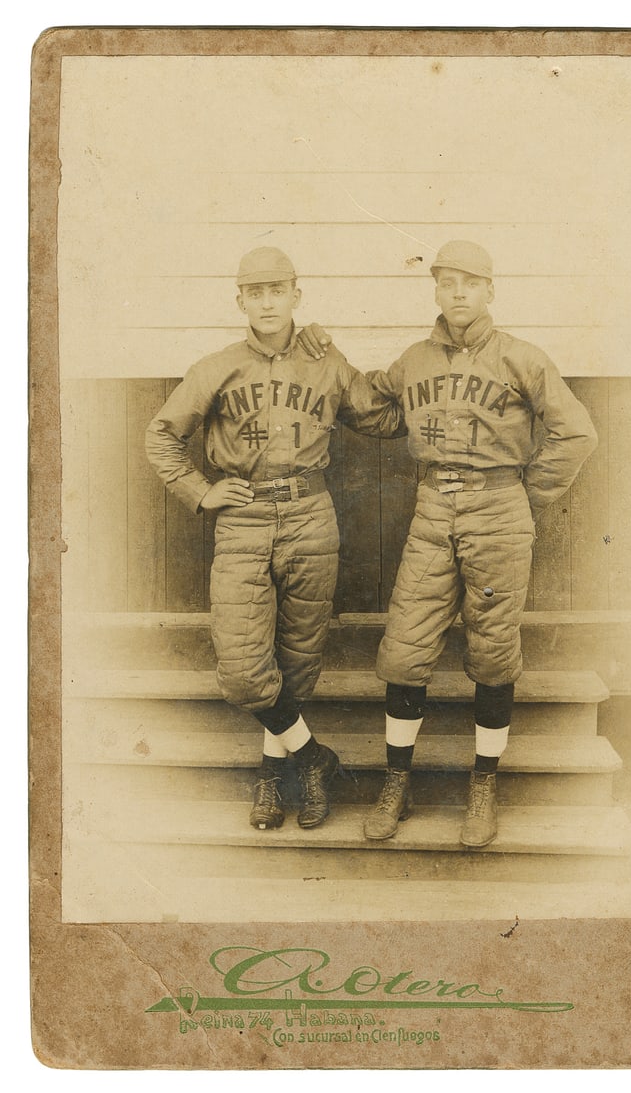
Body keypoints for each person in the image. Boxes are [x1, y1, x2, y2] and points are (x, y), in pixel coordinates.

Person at [300, 240, 598, 847]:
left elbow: (577, 432)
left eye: (469, 282)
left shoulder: (523, 359)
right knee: (406, 647)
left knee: (492, 651)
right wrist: (325, 355)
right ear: (435, 291)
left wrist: (524, 491)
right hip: (433, 509)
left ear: (490, 289)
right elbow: (368, 405)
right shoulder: (414, 360)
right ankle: (396, 782)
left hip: (498, 509)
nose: (457, 292)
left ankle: (482, 784)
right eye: (446, 283)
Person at [145, 247, 405, 833]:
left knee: (297, 660)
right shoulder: (216, 367)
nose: (266, 302)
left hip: (312, 514)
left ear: (296, 295)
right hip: (245, 517)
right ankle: (315, 758)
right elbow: (162, 434)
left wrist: (403, 370)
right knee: (242, 668)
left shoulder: (324, 359)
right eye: (254, 292)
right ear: (240, 301)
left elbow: (378, 415)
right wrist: (198, 489)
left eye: (276, 291)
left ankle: (275, 777)